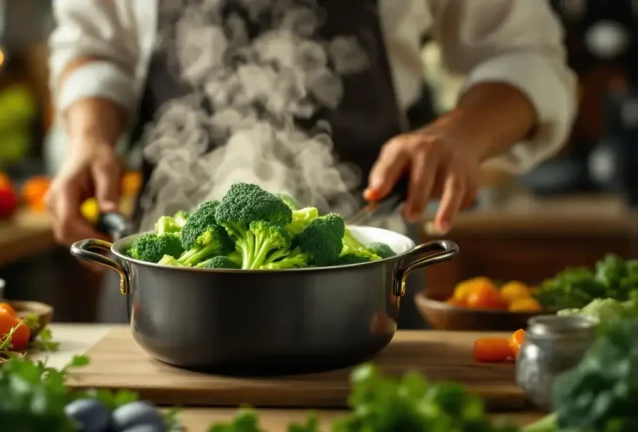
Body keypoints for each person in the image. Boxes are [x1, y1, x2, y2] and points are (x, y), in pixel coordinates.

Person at [46, 0, 577, 327]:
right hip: (164, 289)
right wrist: (89, 139)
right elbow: (94, 44)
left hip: (363, 276)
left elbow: (525, 55)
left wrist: (461, 133)